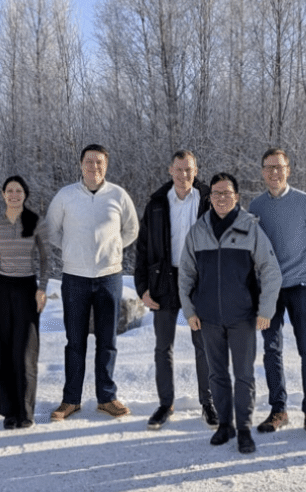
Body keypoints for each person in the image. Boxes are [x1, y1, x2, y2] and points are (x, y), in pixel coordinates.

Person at [179, 173, 282, 455]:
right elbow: (186, 274)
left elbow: (271, 271)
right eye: (216, 193)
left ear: (236, 196)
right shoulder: (198, 231)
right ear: (209, 197)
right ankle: (225, 425)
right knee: (217, 375)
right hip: (208, 317)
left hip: (242, 317)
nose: (221, 198)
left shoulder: (250, 228)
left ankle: (244, 429)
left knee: (244, 375)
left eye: (226, 193)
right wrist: (189, 310)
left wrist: (266, 310)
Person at [46, 144, 139, 421]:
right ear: (81, 164)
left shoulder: (118, 195)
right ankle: (71, 400)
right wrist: (73, 250)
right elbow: (52, 230)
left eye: (99, 162)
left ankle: (107, 398)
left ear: (106, 166)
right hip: (75, 277)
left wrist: (113, 249)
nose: (94, 167)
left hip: (109, 277)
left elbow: (131, 229)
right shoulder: (66, 196)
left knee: (107, 341)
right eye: (89, 161)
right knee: (75, 341)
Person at [247, 148, 306, 438]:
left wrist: (303, 269)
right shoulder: (256, 206)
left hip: (301, 288)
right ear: (262, 172)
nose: (274, 172)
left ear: (288, 170)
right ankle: (278, 409)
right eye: (269, 167)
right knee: (271, 350)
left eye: (279, 167)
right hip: (269, 291)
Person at [134, 150, 217, 430]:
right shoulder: (157, 203)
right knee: (163, 347)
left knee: (203, 345)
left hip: (199, 281)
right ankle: (165, 404)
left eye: (189, 170)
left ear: (196, 171)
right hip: (164, 281)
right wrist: (142, 288)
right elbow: (143, 248)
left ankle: (208, 403)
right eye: (179, 169)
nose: (184, 175)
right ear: (170, 170)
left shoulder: (209, 200)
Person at [0, 176, 49, 430]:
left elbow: (45, 260)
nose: (14, 195)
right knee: (3, 350)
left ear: (25, 194)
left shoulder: (35, 222)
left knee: (26, 352)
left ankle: (25, 412)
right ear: (3, 194)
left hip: (27, 289)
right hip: (0, 289)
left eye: (18, 190)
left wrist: (42, 289)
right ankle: (9, 412)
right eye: (9, 190)